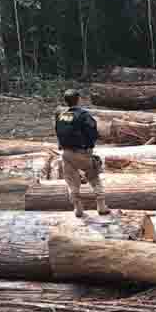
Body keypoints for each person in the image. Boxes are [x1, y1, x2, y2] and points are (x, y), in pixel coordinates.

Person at [54, 89, 110, 217]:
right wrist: (90, 147)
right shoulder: (84, 115)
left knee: (72, 183)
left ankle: (77, 208)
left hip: (66, 154)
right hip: (82, 153)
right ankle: (101, 206)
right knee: (94, 176)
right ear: (78, 99)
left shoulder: (61, 115)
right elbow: (93, 133)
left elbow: (58, 132)